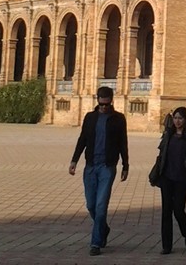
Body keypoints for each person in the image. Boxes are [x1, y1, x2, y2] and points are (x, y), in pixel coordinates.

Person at [69, 87, 129, 256]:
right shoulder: (90, 118)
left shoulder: (118, 119)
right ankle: (103, 228)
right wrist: (74, 160)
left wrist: (126, 165)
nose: (104, 108)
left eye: (107, 105)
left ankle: (96, 243)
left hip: (107, 167)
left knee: (101, 206)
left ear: (111, 101)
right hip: (90, 167)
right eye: (101, 105)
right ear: (98, 101)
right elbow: (82, 140)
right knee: (91, 205)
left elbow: (123, 143)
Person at [150, 106, 186, 255]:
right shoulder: (168, 134)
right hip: (167, 177)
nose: (177, 121)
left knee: (178, 210)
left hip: (182, 178)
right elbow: (161, 156)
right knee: (166, 211)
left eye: (180, 118)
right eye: (175, 118)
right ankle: (167, 245)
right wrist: (156, 174)